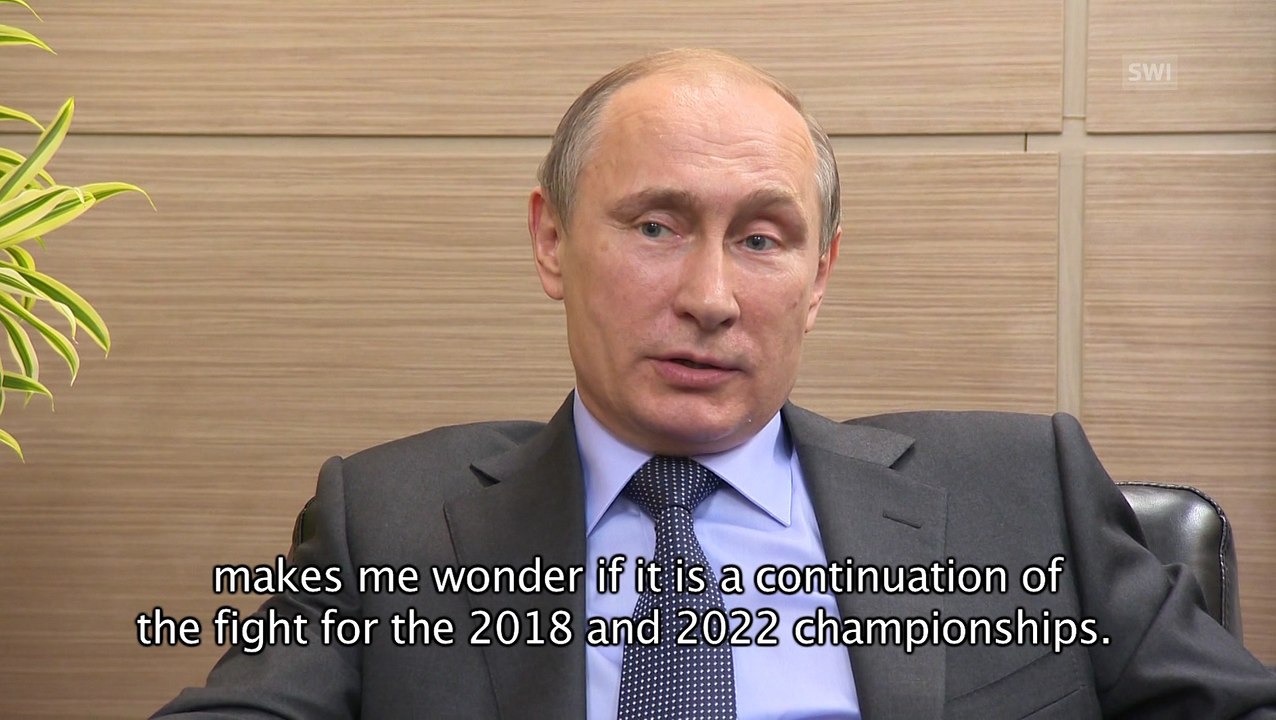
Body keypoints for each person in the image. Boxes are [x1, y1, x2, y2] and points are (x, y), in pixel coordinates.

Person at [154, 49, 1276, 719]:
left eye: (762, 239)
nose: (710, 296)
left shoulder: (1023, 492)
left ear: (819, 275)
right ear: (551, 242)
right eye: (655, 226)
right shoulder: (390, 522)